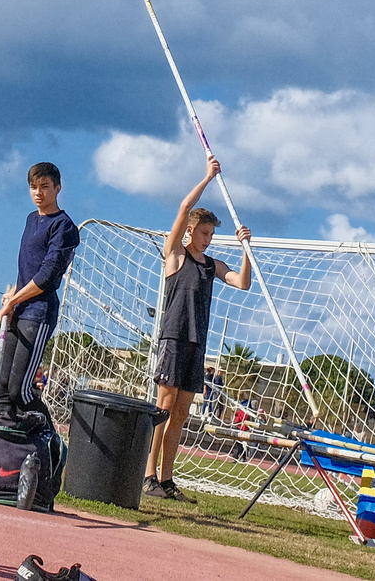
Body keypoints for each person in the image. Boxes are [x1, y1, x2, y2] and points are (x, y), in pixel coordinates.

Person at [143, 155, 256, 500]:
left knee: (181, 412)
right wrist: (208, 177)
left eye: (211, 234)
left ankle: (167, 479)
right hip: (173, 337)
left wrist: (245, 250)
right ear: (191, 232)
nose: (207, 239)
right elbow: (182, 208)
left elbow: (243, 283)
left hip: (196, 343)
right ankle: (147, 475)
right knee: (163, 408)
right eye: (203, 233)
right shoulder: (176, 256)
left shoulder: (212, 265)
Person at [0, 161, 80, 423]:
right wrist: (13, 295)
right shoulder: (30, 220)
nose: (38, 192)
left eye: (45, 187)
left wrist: (14, 301)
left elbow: (46, 275)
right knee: (2, 389)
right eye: (33, 187)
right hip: (19, 309)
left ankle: (48, 436)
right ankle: (7, 441)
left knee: (20, 390)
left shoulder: (63, 227)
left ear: (57, 188)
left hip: (38, 314)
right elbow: (27, 268)